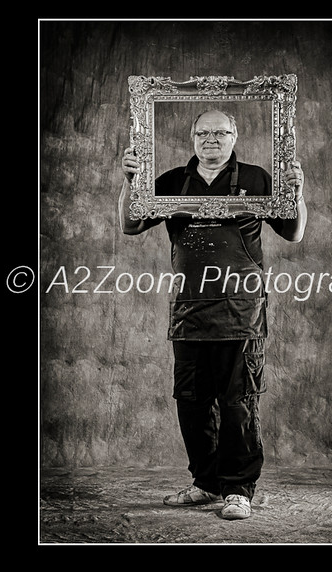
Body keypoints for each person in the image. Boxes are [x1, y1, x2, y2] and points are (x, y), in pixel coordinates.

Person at [119, 110, 307, 520]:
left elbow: (293, 232)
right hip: (188, 309)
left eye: (221, 133)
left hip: (241, 310)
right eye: (203, 133)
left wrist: (298, 193)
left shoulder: (258, 178)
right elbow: (130, 225)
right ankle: (205, 484)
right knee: (192, 400)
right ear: (192, 136)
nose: (212, 140)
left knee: (238, 399)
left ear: (234, 135)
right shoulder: (171, 182)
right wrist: (130, 182)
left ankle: (239, 489)